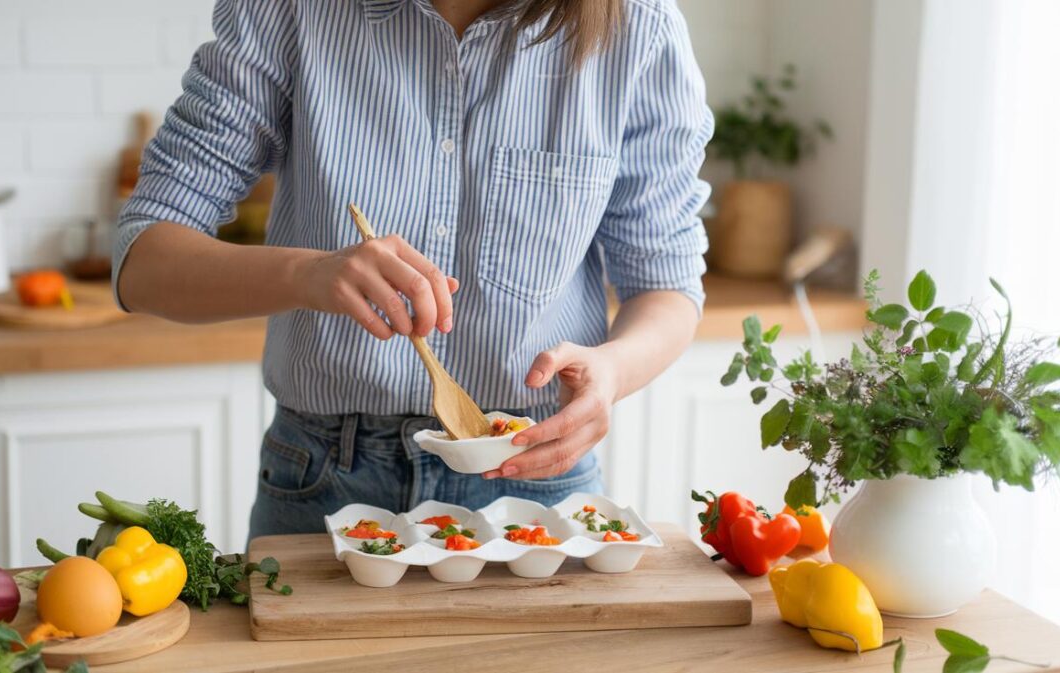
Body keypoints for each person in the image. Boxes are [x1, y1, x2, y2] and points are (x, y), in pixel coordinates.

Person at [112, 0, 712, 537]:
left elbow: (667, 285)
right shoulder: (288, 12)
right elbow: (143, 261)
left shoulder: (640, 29)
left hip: (537, 479)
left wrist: (612, 371)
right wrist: (308, 274)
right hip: (324, 477)